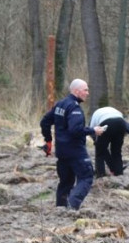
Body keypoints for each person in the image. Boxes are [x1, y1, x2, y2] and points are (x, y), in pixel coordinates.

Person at [40, 79, 106, 210]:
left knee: (66, 182)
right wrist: (93, 130)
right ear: (76, 91)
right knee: (86, 177)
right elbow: (75, 130)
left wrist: (48, 141)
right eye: (85, 90)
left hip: (62, 151)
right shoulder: (74, 107)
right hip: (75, 151)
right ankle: (72, 205)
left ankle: (60, 209)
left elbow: (44, 122)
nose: (88, 93)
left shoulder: (60, 104)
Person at [89, 105, 129, 177]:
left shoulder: (94, 116)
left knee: (99, 153)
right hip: (120, 123)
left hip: (105, 123)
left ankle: (101, 175)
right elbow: (128, 127)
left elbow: (92, 131)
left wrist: (97, 143)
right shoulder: (115, 112)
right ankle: (119, 174)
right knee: (116, 152)